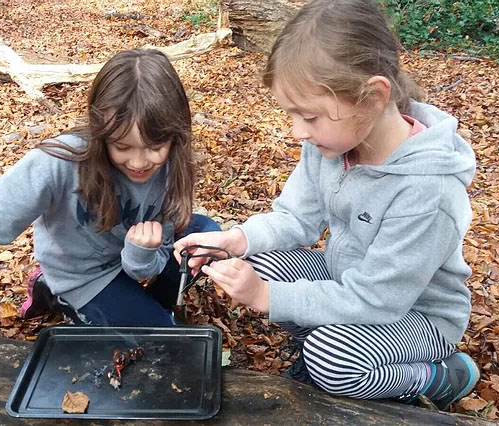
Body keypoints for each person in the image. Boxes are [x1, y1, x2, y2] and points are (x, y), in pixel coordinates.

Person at [174, 0, 479, 411]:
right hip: (347, 276)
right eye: (292, 115)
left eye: (310, 117)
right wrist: (234, 240)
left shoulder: (428, 192)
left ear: (373, 96)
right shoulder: (334, 144)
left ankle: (440, 376)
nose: (299, 132)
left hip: (417, 314)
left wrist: (267, 296)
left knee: (331, 359)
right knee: (260, 261)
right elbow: (295, 219)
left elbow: (377, 299)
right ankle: (317, 350)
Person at [0, 49, 219, 357]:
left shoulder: (172, 163)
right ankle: (63, 295)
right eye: (121, 146)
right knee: (165, 345)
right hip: (86, 274)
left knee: (207, 234)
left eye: (154, 147)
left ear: (176, 137)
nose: (138, 162)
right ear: (100, 130)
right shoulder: (57, 163)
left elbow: (149, 261)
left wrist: (141, 256)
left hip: (131, 254)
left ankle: (146, 308)